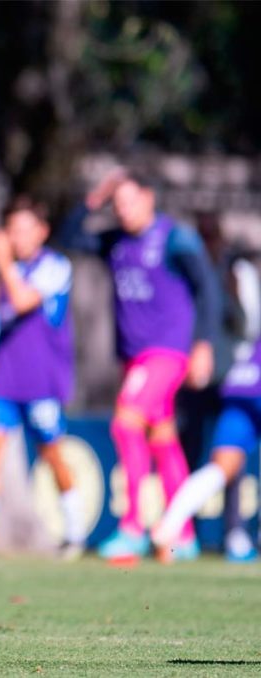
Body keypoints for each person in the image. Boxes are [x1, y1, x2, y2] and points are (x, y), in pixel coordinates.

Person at [60, 169, 222, 563]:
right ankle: (182, 536)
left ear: (150, 198)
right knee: (161, 437)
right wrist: (96, 196)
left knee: (125, 423)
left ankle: (133, 526)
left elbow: (208, 289)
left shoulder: (175, 238)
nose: (125, 210)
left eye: (131, 201)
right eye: (119, 205)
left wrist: (204, 344)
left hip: (167, 351)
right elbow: (69, 238)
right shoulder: (116, 240)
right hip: (134, 356)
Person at [0, 197, 84, 558]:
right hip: (5, 381)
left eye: (23, 230)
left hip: (41, 383)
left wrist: (2, 261)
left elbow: (22, 300)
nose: (16, 239)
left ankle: (74, 533)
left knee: (51, 455)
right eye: (11, 230)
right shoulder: (1, 276)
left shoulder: (55, 267)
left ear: (42, 232)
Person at [152, 337, 260, 563]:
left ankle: (168, 527)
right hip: (249, 386)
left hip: (242, 384)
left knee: (220, 468)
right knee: (222, 468)